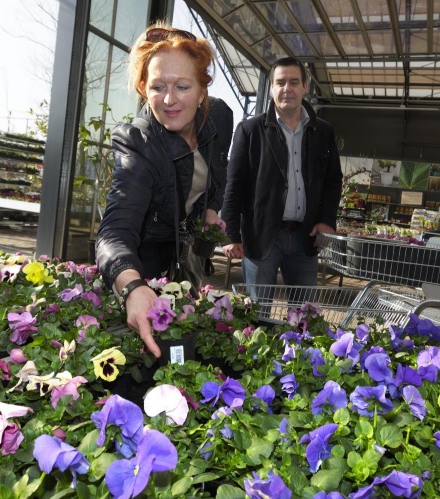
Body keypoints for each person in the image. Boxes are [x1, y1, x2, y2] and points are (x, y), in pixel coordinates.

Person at [95, 23, 233, 357]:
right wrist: (133, 287)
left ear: (203, 92)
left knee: (191, 339)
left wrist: (211, 209)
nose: (170, 100)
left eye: (183, 86)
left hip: (189, 254)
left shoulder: (221, 118)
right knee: (149, 351)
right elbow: (114, 231)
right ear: (144, 88)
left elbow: (218, 171)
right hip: (147, 259)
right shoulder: (138, 142)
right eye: (158, 86)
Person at [221, 56, 343, 291]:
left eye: (294, 82)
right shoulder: (249, 130)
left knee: (304, 316)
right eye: (281, 82)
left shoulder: (323, 132)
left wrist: (327, 220)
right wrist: (231, 235)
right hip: (261, 237)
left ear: (305, 87)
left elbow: (332, 180)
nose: (287, 89)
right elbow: (233, 186)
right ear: (271, 88)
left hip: (305, 238)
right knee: (257, 314)